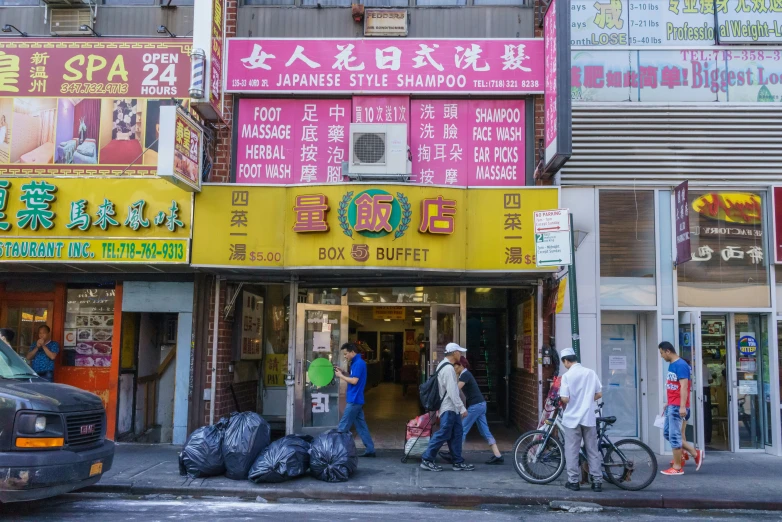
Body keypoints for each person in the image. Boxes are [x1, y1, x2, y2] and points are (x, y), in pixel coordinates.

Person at [420, 343, 474, 472]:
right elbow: (452, 391)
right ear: (454, 353)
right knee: (444, 433)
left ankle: (457, 461)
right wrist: (462, 408)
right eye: (459, 352)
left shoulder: (442, 365)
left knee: (457, 433)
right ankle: (427, 459)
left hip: (451, 408)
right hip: (449, 407)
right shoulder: (448, 369)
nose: (460, 355)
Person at [439, 356, 503, 465]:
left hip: (476, 406)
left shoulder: (465, 375)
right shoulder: (464, 374)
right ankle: (497, 455)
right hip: (481, 404)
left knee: (462, 429)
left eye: (455, 366)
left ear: (461, 365)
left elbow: (455, 390)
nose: (454, 368)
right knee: (484, 431)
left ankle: (454, 454)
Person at [558, 347, 603, 492]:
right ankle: (597, 482)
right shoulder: (590, 373)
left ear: (566, 361)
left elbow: (565, 398)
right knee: (592, 450)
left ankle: (573, 482)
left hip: (572, 419)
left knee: (572, 450)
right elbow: (599, 393)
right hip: (589, 417)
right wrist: (586, 400)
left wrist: (569, 399)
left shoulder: (567, 376)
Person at [659, 341, 704, 475]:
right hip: (672, 404)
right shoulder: (673, 365)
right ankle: (694, 452)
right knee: (667, 433)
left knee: (674, 436)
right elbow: (674, 386)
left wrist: (683, 406)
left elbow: (684, 387)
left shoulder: (681, 365)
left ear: (668, 351)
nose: (661, 356)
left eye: (662, 353)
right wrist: (668, 401)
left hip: (678, 406)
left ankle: (677, 467)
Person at [335, 342, 376, 458]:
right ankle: (370, 449)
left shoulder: (358, 363)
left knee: (343, 426)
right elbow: (353, 376)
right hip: (356, 399)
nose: (345, 356)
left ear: (353, 352)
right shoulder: (356, 363)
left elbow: (354, 381)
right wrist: (343, 372)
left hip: (354, 400)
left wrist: (340, 376)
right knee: (361, 426)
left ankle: (336, 451)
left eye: (346, 353)